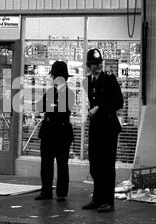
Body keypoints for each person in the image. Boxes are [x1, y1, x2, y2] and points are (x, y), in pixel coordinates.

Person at [82, 48, 124, 213]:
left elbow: (119, 102)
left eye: (99, 63)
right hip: (96, 127)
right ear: (88, 65)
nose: (97, 66)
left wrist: (99, 108)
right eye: (94, 64)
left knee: (107, 165)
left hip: (108, 127)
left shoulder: (109, 79)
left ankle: (108, 201)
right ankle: (97, 198)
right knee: (94, 164)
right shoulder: (88, 81)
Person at [35, 61, 75, 202]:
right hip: (52, 132)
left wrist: (51, 105)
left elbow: (61, 110)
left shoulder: (68, 93)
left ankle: (61, 193)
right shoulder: (51, 92)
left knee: (62, 164)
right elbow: (40, 107)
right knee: (47, 164)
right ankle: (46, 191)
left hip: (60, 131)